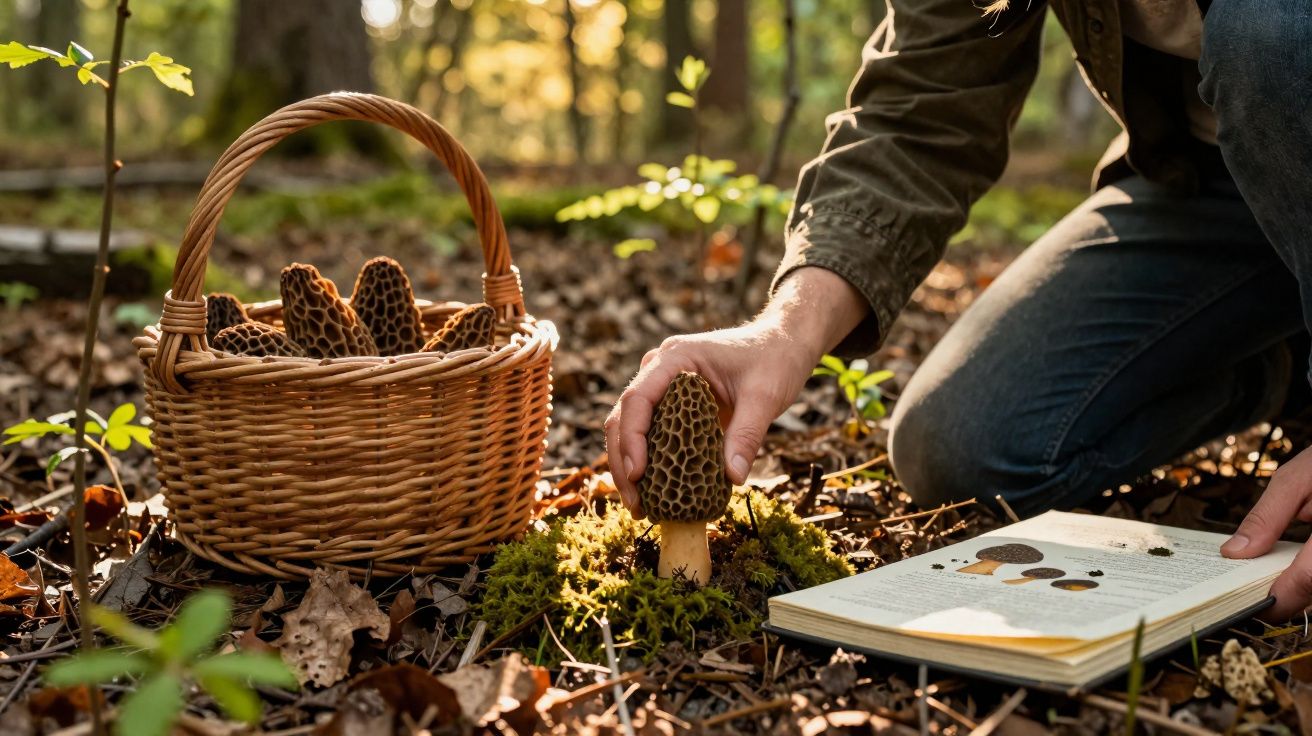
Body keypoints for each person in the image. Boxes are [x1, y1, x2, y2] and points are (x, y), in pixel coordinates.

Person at [605, 0, 1312, 621]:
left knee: (1271, 30)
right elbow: (922, 102)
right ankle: (1287, 358)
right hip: (1211, 182)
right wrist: (784, 331)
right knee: (963, 444)